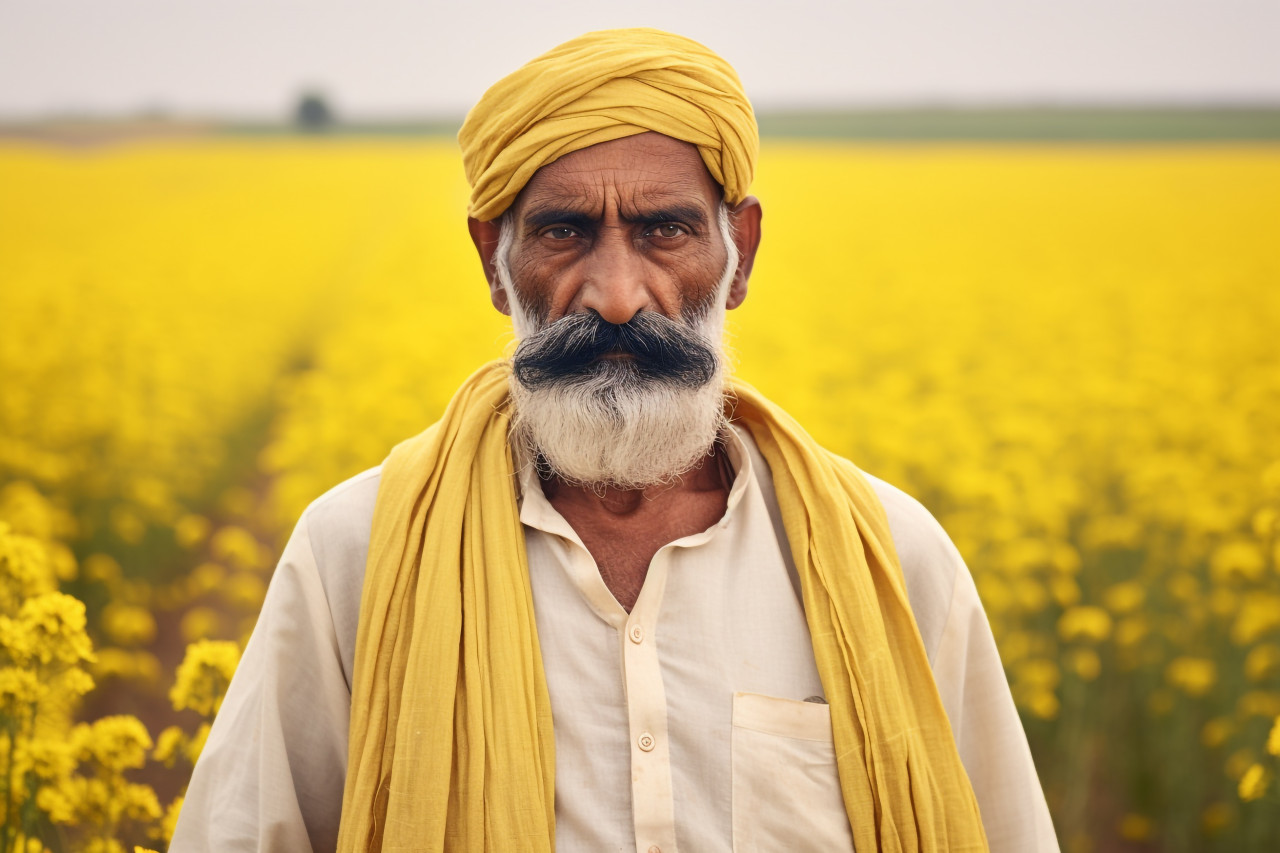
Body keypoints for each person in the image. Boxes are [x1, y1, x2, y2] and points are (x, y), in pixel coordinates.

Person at [171, 27, 1058, 853]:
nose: (617, 294)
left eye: (664, 230)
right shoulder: (358, 555)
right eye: (563, 232)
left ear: (739, 252)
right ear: (492, 260)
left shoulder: (894, 561)